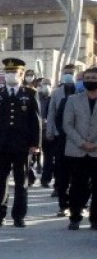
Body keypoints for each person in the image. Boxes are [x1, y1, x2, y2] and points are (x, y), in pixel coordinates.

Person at [0, 57, 41, 228]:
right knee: (1, 182)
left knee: (21, 181)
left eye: (14, 72)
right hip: (1, 144)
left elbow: (36, 120)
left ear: (21, 74)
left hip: (22, 145)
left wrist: (35, 144)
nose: (10, 75)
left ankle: (19, 216)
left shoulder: (30, 94)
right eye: (8, 72)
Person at [62, 67, 97, 230]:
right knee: (77, 186)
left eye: (93, 78)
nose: (90, 81)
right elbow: (67, 125)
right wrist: (82, 143)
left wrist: (94, 144)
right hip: (77, 150)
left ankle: (95, 219)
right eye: (87, 78)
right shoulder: (73, 100)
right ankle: (75, 217)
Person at [47, 64, 81, 216]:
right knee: (61, 172)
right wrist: (50, 132)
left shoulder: (81, 90)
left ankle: (78, 204)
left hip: (78, 139)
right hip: (60, 137)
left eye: (71, 73)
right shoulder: (56, 93)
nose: (68, 75)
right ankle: (63, 204)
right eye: (66, 73)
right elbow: (51, 112)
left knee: (78, 173)